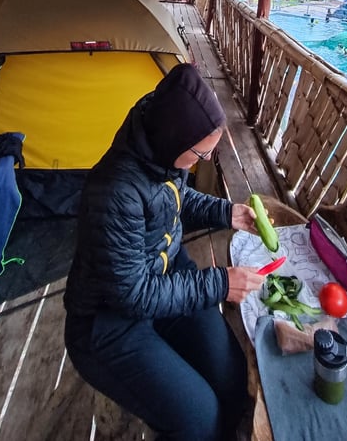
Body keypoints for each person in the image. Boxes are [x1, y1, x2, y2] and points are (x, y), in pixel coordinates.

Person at [64, 63, 265, 441]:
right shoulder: (114, 192)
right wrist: (219, 284)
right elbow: (133, 295)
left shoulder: (160, 146)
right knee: (197, 419)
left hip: (164, 275)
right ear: (177, 141)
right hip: (107, 322)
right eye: (201, 154)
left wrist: (226, 213)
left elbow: (174, 196)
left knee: (232, 378)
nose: (204, 161)